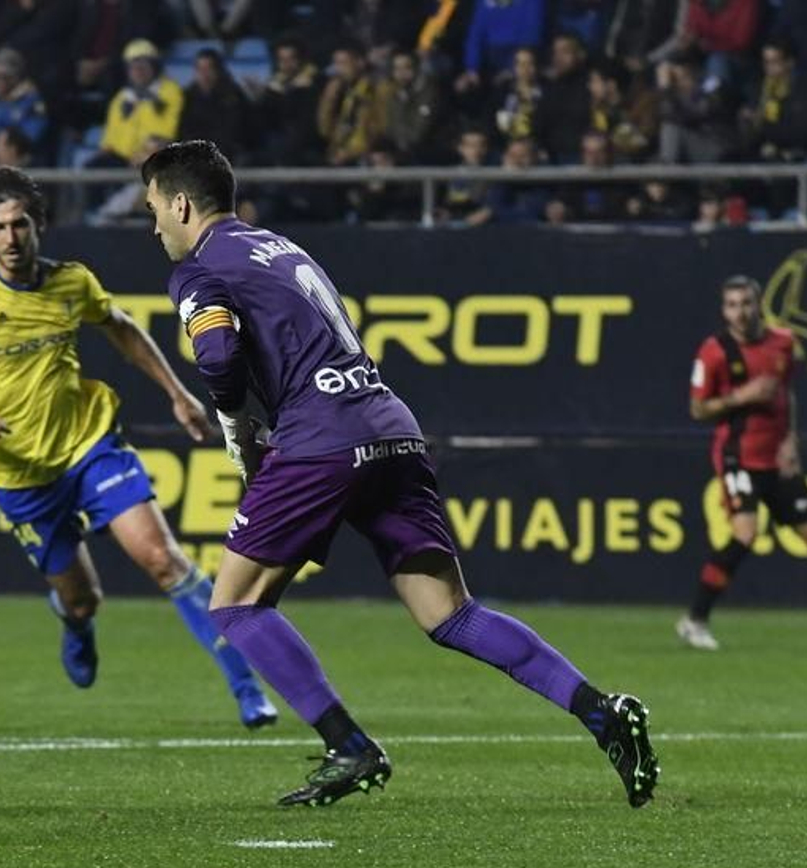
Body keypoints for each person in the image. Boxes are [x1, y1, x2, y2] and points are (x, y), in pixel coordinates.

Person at [137, 139, 660, 808]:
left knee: (234, 604)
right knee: (449, 613)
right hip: (390, 426)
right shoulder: (279, 247)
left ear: (181, 204)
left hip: (321, 437)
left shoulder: (200, 267)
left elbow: (216, 356)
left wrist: (240, 433)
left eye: (154, 208)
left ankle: (348, 745)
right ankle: (602, 713)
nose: (154, 225)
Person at [0, 167, 279, 729]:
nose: (10, 237)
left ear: (38, 225)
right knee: (83, 600)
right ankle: (75, 623)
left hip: (88, 444)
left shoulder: (72, 282)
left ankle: (247, 688)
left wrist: (176, 393)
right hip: (18, 473)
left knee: (162, 560)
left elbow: (122, 328)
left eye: (20, 223)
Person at [681, 276, 807, 652]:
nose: (741, 311)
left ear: (758, 304)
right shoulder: (714, 351)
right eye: (733, 304)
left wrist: (790, 440)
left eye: (746, 303)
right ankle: (694, 620)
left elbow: (787, 396)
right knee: (746, 532)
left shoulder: (783, 342)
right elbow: (698, 408)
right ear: (724, 310)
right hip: (738, 457)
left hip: (777, 460)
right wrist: (742, 396)